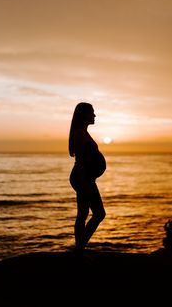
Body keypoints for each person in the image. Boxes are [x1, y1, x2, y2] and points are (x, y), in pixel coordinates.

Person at [68, 102, 106, 252]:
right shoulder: (79, 134)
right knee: (99, 213)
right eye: (92, 112)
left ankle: (79, 251)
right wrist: (85, 184)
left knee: (82, 214)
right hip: (83, 178)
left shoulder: (83, 132)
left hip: (86, 178)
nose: (94, 115)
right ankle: (79, 249)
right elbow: (80, 162)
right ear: (84, 115)